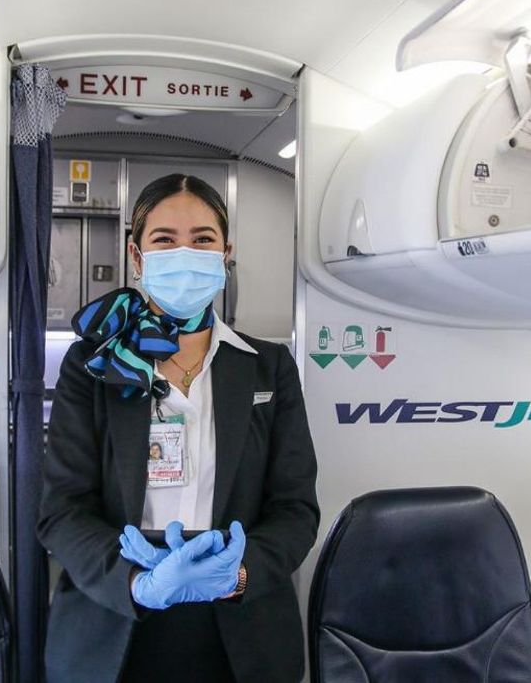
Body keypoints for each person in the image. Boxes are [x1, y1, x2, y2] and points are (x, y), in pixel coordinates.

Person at [37, 173, 320, 682]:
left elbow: (295, 507)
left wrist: (238, 572)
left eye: (203, 240)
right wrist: (136, 582)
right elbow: (61, 510)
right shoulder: (94, 365)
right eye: (165, 239)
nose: (185, 253)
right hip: (115, 624)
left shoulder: (268, 368)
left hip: (243, 626)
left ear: (225, 254)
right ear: (137, 255)